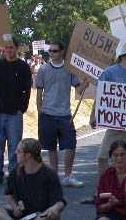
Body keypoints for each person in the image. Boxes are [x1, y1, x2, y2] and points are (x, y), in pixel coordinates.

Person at [0, 138, 66, 220]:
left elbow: (60, 202)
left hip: (41, 217)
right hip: (21, 216)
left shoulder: (49, 174)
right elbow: (8, 194)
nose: (15, 153)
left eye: (19, 151)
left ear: (28, 155)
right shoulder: (15, 172)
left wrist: (54, 208)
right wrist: (15, 207)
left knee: (54, 216)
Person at [89, 41, 126, 185]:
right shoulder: (109, 72)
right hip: (114, 125)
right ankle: (103, 190)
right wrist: (93, 114)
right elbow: (100, 95)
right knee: (103, 156)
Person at [36, 40, 88, 188]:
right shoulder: (43, 70)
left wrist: (84, 83)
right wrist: (40, 112)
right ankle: (54, 176)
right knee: (51, 146)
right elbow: (39, 92)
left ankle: (68, 175)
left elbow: (78, 89)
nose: (51, 53)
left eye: (54, 51)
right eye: (50, 51)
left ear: (61, 52)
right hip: (47, 113)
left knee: (71, 144)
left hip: (65, 114)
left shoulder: (69, 69)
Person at [0, 37, 32, 185]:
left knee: (14, 145)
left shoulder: (23, 67)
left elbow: (27, 90)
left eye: (11, 48)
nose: (9, 50)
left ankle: (14, 173)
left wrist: (21, 109)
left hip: (14, 113)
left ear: (16, 48)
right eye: (6, 48)